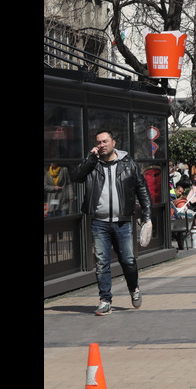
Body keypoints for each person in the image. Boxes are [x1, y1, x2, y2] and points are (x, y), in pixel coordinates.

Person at [73, 129, 152, 316]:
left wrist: (147, 216)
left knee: (128, 260)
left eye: (105, 141)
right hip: (99, 222)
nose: (102, 145)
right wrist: (90, 160)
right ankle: (105, 300)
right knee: (102, 263)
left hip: (122, 222)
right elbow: (76, 177)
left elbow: (142, 189)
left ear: (113, 143)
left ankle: (134, 289)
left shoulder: (128, 163)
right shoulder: (92, 164)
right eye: (99, 142)